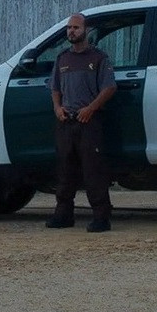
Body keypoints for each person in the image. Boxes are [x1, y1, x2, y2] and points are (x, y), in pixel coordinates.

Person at [45, 13, 117, 232]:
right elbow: (55, 88)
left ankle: (101, 217)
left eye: (76, 27)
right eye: (69, 28)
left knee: (93, 171)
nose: (71, 31)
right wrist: (58, 108)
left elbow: (109, 87)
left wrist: (91, 109)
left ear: (86, 30)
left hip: (89, 121)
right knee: (65, 170)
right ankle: (63, 215)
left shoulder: (98, 58)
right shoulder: (62, 58)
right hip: (67, 121)